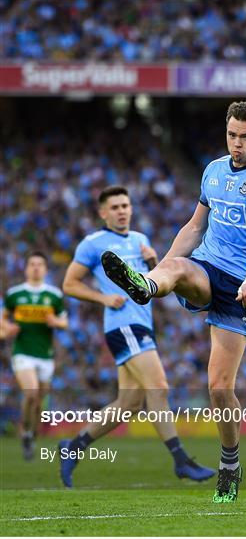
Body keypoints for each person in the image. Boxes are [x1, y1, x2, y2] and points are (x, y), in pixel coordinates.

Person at [101, 101, 246, 503]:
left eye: (244, 137)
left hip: (241, 284)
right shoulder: (214, 170)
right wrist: (162, 267)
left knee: (220, 390)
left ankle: (230, 464)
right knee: (181, 269)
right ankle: (146, 285)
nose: (236, 144)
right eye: (231, 135)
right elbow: (194, 226)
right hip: (206, 267)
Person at [60, 185, 214, 488]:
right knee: (159, 386)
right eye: (115, 207)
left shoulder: (141, 240)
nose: (121, 211)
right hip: (122, 324)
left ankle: (73, 447)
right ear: (103, 212)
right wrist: (103, 299)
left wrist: (155, 261)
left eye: (125, 205)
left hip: (142, 324)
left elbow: (153, 285)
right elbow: (69, 284)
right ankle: (181, 460)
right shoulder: (93, 243)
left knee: (128, 404)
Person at [1, 252, 68, 460]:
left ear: (46, 269)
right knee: (31, 393)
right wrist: (7, 328)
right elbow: (2, 319)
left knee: (39, 401)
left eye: (40, 264)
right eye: (32, 264)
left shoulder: (54, 295)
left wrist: (55, 322)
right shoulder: (15, 294)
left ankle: (30, 434)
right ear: (26, 268)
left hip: (45, 355)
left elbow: (64, 322)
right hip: (23, 352)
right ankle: (25, 433)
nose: (36, 267)